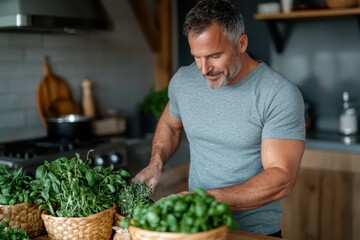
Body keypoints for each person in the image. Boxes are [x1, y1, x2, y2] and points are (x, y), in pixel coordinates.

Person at [133, 0, 305, 237]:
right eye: (197, 56)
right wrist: (156, 163)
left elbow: (281, 177)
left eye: (214, 55)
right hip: (199, 229)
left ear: (241, 43)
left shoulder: (277, 94)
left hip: (252, 233)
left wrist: (205, 199)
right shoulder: (184, 81)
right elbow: (171, 125)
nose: (204, 69)